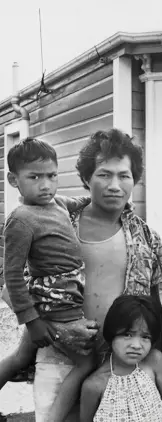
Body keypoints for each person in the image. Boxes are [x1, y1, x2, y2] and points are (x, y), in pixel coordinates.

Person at [30, 128, 162, 422]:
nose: (115, 185)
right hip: (60, 357)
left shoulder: (147, 238)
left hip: (119, 363)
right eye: (104, 174)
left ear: (135, 180)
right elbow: (10, 278)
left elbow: (153, 306)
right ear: (86, 178)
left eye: (124, 175)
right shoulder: (55, 225)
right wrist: (52, 327)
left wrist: (151, 362)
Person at [0, 138, 99, 422]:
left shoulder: (56, 203)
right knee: (87, 361)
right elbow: (13, 276)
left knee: (20, 357)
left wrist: (101, 197)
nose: (45, 185)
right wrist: (32, 320)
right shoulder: (21, 220)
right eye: (34, 177)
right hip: (57, 299)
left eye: (51, 176)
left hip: (62, 295)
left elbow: (80, 202)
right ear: (13, 180)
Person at [79, 295, 162, 422]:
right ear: (112, 333)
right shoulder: (94, 385)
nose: (136, 345)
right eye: (127, 334)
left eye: (145, 337)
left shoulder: (154, 361)